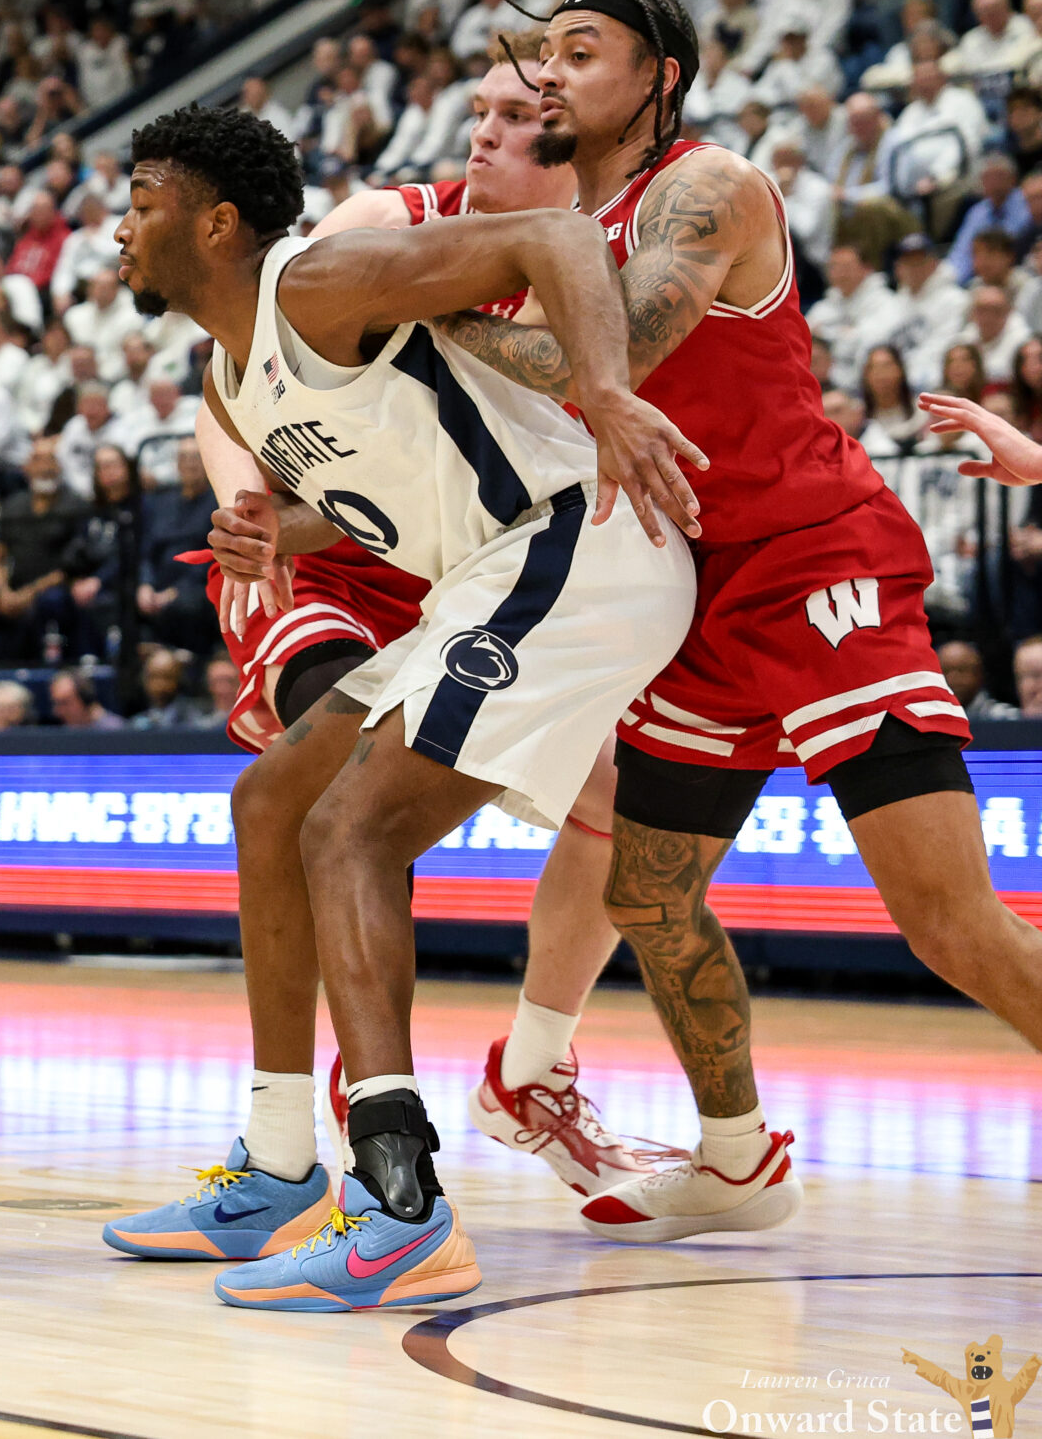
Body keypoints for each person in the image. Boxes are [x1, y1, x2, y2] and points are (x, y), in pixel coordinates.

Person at [436, 0, 1042, 1243]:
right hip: (694, 591)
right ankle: (736, 1162)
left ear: (659, 77)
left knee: (945, 922)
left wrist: (425, 314)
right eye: (541, 56)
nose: (549, 75)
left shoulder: (705, 188)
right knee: (648, 896)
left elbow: (608, 364)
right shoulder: (564, 226)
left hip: (812, 559)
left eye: (580, 52)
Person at [107, 100, 699, 1313]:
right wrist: (278, 530)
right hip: (487, 571)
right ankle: (278, 1164)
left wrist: (602, 388)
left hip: (576, 541)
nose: (120, 230)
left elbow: (555, 239)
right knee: (273, 804)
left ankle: (399, 1202)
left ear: (216, 225)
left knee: (351, 831)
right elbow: (385, 493)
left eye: (142, 203)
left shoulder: (317, 282)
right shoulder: (233, 373)